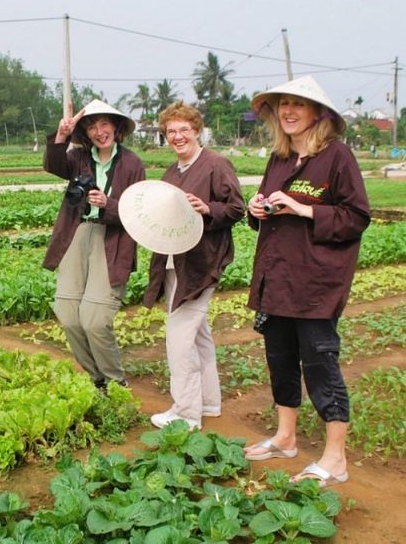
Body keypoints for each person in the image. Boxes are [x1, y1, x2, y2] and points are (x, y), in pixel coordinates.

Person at [243, 76, 370, 488]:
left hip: (316, 283)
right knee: (279, 358)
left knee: (319, 363)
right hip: (276, 278)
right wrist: (256, 209)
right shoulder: (279, 158)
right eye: (283, 104)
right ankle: (286, 437)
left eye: (299, 104)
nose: (289, 111)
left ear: (319, 113)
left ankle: (335, 459)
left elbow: (356, 217)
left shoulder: (337, 157)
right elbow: (263, 210)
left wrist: (304, 210)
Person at [142, 101, 245, 429]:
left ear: (197, 130)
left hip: (202, 264)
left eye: (183, 129)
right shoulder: (172, 172)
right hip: (174, 262)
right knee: (198, 335)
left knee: (179, 338)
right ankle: (209, 402)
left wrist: (208, 209)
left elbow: (236, 208)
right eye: (171, 131)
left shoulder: (216, 164)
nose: (177, 136)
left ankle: (186, 413)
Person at [42, 99, 146, 390]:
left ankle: (115, 381)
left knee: (95, 320)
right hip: (76, 234)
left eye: (104, 124)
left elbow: (139, 211)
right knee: (68, 314)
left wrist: (108, 205)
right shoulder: (78, 158)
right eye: (91, 127)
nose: (99, 132)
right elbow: (54, 164)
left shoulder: (132, 163)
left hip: (111, 239)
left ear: (116, 127)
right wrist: (62, 135)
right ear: (85, 134)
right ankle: (96, 378)